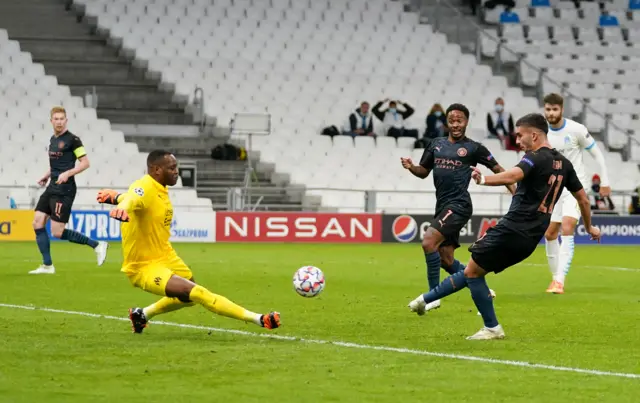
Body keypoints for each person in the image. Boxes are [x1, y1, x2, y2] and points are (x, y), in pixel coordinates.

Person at [408, 113, 601, 340]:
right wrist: (589, 228)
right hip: (531, 237)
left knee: (471, 272)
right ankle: (426, 301)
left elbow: (513, 174)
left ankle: (486, 324)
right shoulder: (564, 164)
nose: (517, 141)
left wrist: (483, 180)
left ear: (534, 135)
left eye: (520, 136)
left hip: (513, 228)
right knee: (473, 271)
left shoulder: (534, 158)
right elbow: (583, 200)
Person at [96, 150, 280, 333]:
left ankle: (142, 314)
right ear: (156, 169)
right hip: (143, 266)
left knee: (189, 297)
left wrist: (116, 197)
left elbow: (137, 202)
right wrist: (121, 208)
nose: (177, 171)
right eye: (172, 168)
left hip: (166, 255)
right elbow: (134, 198)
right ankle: (259, 319)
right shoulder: (144, 185)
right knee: (198, 293)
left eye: (176, 167)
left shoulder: (160, 188)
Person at [400, 103, 516, 313]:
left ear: (466, 122)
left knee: (428, 242)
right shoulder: (435, 144)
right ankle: (485, 290)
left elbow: (499, 169)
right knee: (446, 260)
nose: (455, 124)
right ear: (447, 122)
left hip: (459, 204)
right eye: (451, 120)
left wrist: (515, 193)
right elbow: (423, 171)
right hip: (442, 205)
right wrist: (411, 168)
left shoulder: (474, 148)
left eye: (459, 120)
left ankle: (432, 297)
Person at [543, 93, 611, 294]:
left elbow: (597, 154)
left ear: (561, 110)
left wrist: (605, 181)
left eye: (555, 109)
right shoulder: (542, 132)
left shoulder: (576, 130)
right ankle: (555, 279)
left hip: (575, 187)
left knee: (567, 226)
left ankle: (559, 281)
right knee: (549, 233)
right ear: (544, 109)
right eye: (548, 109)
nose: (551, 113)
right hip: (553, 189)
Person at [30, 106, 108, 275]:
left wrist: (68, 173)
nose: (59, 122)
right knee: (37, 222)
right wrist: (46, 175)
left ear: (66, 120)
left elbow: (85, 163)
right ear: (51, 121)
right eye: (56, 119)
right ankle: (47, 266)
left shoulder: (73, 140)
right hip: (52, 186)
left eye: (61, 119)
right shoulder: (52, 140)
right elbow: (56, 165)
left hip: (64, 190)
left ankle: (96, 244)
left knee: (57, 232)